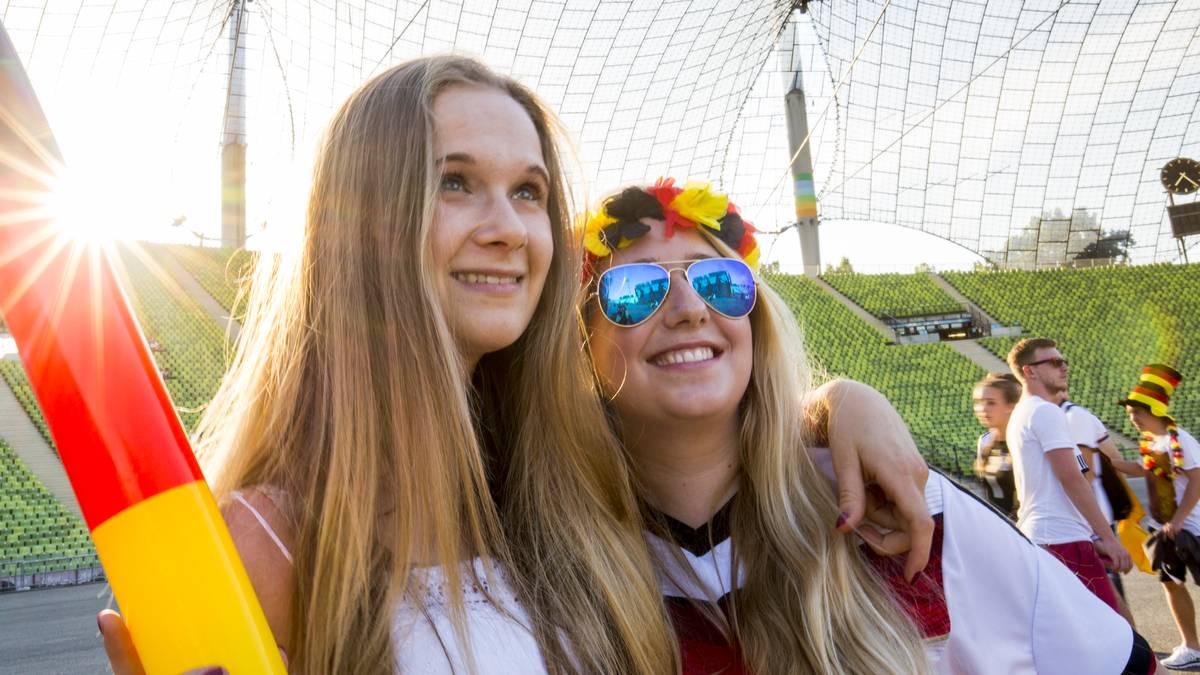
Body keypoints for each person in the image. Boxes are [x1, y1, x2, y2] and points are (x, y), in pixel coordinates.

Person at [98, 59, 932, 674]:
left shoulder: (562, 487)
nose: (507, 228)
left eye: (529, 191)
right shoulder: (267, 542)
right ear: (359, 223)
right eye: (455, 182)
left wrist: (834, 402)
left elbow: (707, 439)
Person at [580, 180, 1158, 674]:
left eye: (719, 281)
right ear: (578, 343)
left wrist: (836, 399)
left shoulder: (909, 507)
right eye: (635, 291)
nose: (690, 308)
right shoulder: (545, 560)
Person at [1004, 338, 1132, 614]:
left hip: (1054, 535)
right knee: (1112, 628)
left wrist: (1092, 537)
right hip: (1061, 537)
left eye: (1064, 361)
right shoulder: (1043, 411)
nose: (1064, 367)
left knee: (1091, 627)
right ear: (1029, 371)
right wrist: (1107, 537)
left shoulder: (1026, 412)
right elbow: (1072, 478)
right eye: (1054, 362)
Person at [1121, 365, 1200, 670]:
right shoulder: (1152, 442)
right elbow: (1144, 470)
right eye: (1130, 413)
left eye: (1137, 412)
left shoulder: (1179, 440)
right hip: (1165, 530)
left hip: (1190, 527)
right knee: (1171, 583)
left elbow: (1196, 481)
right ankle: (1191, 647)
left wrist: (1178, 520)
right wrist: (1110, 461)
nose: (1133, 418)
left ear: (1154, 410)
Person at [1055, 386, 1145, 626]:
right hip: (1081, 513)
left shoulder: (1073, 416)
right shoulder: (1055, 416)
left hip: (1088, 514)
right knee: (1101, 582)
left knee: (1105, 582)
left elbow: (1086, 474)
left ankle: (1130, 640)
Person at [972, 372, 1020, 518]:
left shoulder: (1024, 441)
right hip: (997, 522)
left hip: (1024, 526)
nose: (982, 409)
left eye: (991, 403)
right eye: (979, 402)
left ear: (1010, 406)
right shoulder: (985, 441)